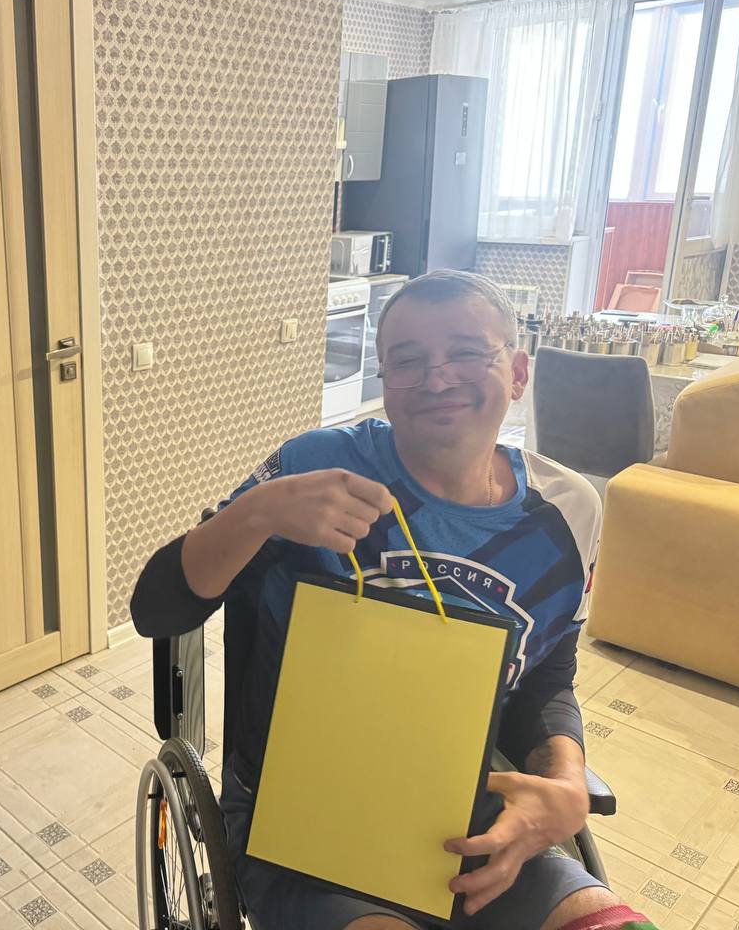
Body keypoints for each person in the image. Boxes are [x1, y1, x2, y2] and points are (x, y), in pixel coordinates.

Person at [132, 271, 656, 930]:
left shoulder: (569, 512)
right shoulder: (317, 469)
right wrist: (257, 513)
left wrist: (566, 782)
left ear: (519, 373)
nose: (437, 379)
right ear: (386, 381)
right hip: (301, 816)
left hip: (465, 811)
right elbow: (158, 610)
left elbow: (546, 673)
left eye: (466, 352)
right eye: (408, 361)